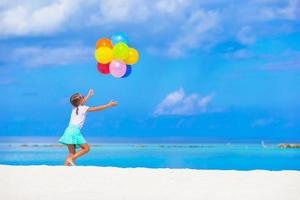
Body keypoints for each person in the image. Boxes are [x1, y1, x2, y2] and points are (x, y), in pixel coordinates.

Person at [59, 89, 117, 166]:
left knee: (72, 153)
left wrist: (88, 95)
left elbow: (81, 102)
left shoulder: (75, 108)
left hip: (68, 130)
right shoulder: (83, 108)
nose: (83, 98)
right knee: (86, 149)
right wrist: (108, 105)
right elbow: (97, 109)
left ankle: (65, 167)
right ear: (80, 101)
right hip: (74, 131)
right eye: (82, 97)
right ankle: (71, 159)